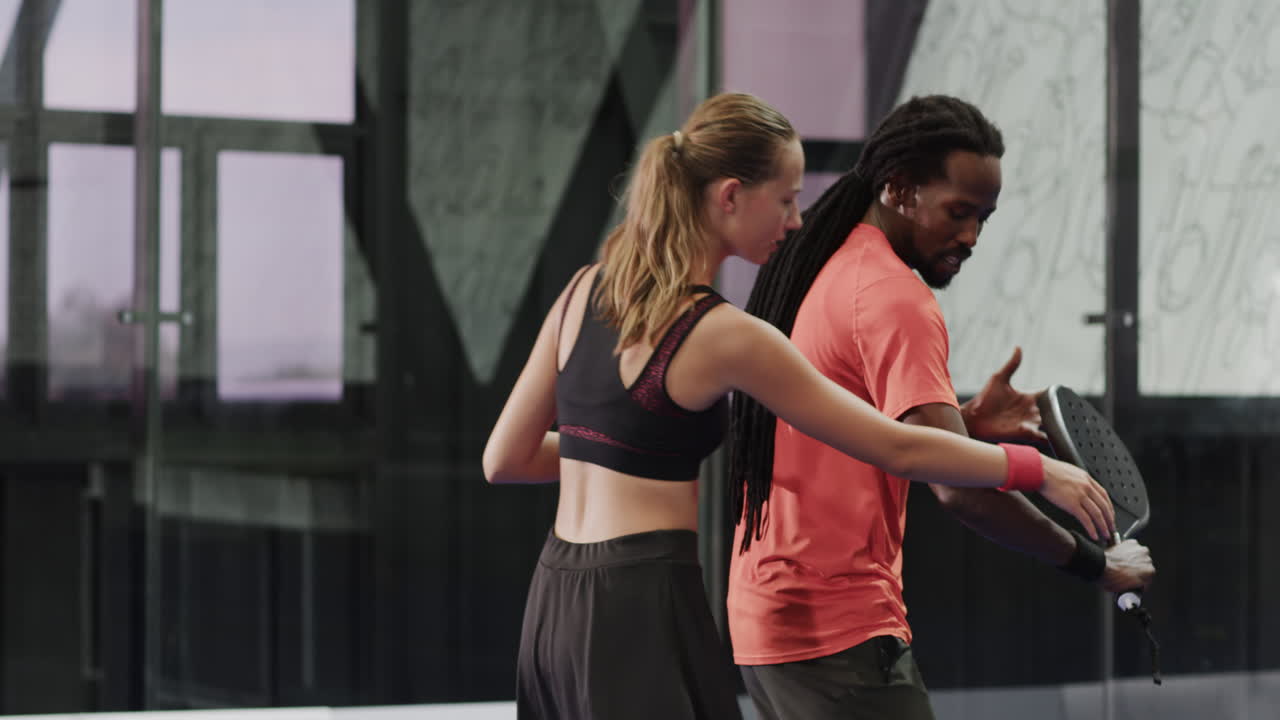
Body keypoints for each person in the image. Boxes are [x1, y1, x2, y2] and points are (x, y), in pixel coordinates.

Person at [482, 92, 1116, 720]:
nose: (794, 220)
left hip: (555, 601)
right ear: (730, 196)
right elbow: (897, 446)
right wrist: (1037, 470)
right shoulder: (724, 333)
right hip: (642, 602)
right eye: (785, 199)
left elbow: (504, 459)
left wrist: (624, 456)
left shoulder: (580, 292)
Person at [726, 94, 1157, 720]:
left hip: (770, 625)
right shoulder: (894, 296)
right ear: (900, 191)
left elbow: (849, 428)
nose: (972, 236)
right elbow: (961, 493)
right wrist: (1096, 563)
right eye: (958, 212)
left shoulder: (826, 262)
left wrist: (964, 426)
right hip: (838, 636)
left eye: (985, 217)